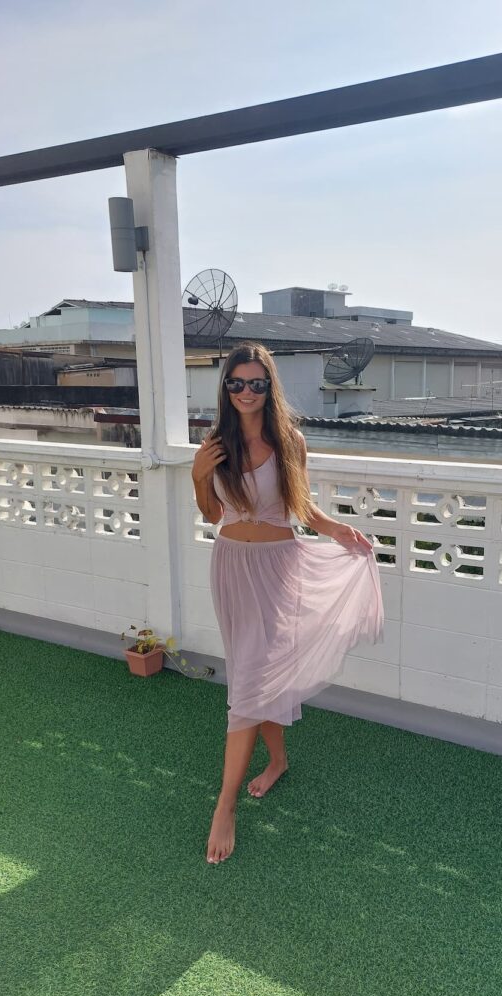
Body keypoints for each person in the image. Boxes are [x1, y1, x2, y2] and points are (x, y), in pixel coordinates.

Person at [191, 341, 384, 864]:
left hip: (279, 568)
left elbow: (300, 508)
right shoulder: (214, 444)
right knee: (257, 674)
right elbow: (213, 516)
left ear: (269, 386)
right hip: (231, 567)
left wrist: (341, 530)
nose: (247, 392)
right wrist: (197, 475)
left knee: (253, 681)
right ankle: (276, 760)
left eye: (257, 383)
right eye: (237, 383)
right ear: (226, 387)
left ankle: (224, 804)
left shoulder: (290, 441)